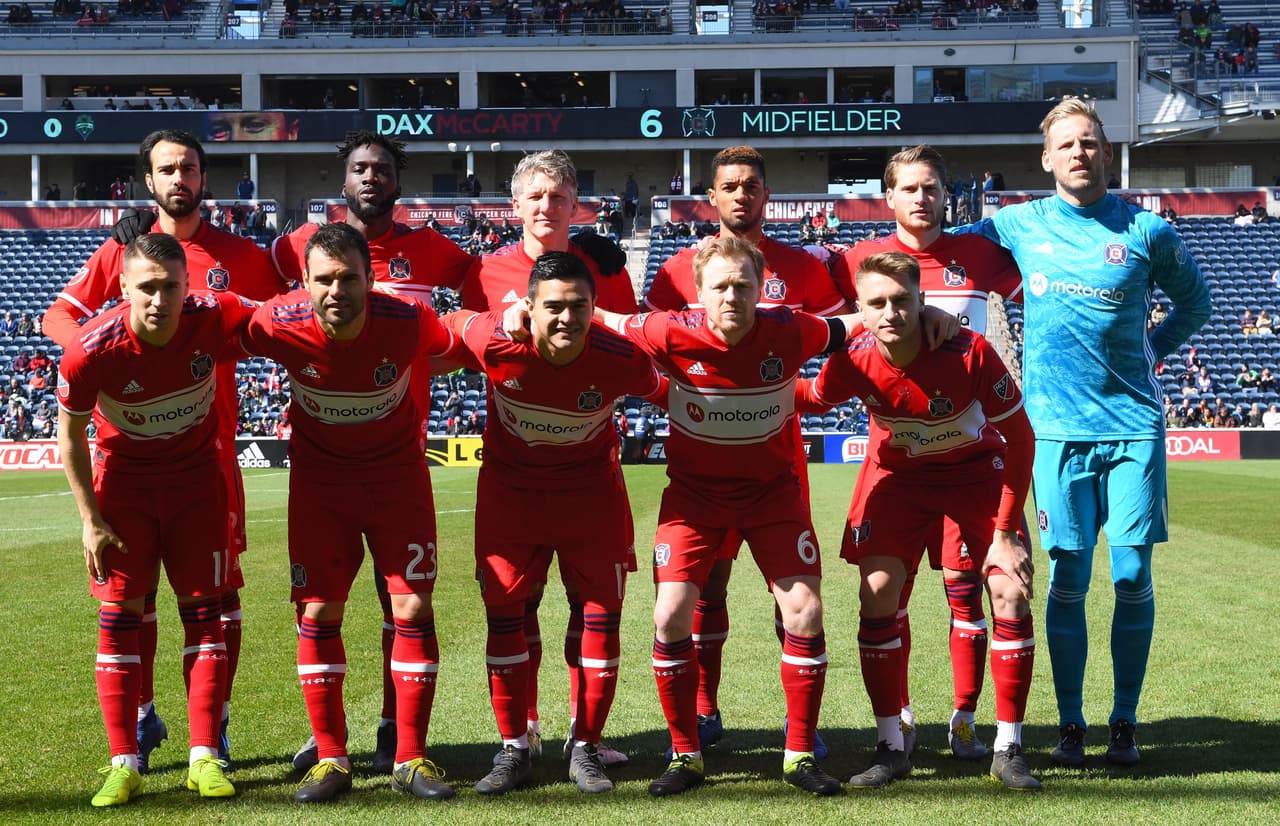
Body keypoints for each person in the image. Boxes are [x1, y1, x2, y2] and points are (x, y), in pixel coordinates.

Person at [954, 98, 1212, 767]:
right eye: (1066, 144)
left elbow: (1197, 301)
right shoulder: (1017, 223)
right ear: (1046, 159)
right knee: (1068, 575)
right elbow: (939, 253)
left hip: (1131, 428)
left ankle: (1122, 722)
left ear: (1106, 151)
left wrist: (1154, 348)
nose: (1078, 153)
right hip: (1055, 433)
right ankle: (1070, 725)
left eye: (1090, 143)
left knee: (1130, 575)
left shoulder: (1147, 230)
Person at [44, 129, 289, 774]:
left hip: (211, 451)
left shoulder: (244, 256)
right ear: (148, 182)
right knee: (135, 600)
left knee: (214, 599)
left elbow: (281, 312)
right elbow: (58, 321)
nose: (179, 178)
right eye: (166, 170)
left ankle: (216, 730)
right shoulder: (120, 253)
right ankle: (144, 715)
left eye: (189, 167)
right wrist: (114, 359)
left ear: (206, 177)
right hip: (132, 452)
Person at [600, 236, 864, 798]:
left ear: (761, 288)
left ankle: (798, 754)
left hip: (772, 495)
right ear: (699, 293)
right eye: (719, 286)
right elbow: (605, 319)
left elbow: (853, 325)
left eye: (743, 285)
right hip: (694, 499)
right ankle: (685, 754)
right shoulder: (668, 330)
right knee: (670, 615)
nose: (732, 296)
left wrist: (929, 316)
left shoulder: (791, 328)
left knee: (805, 609)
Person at [273, 131, 478, 776]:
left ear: (398, 179)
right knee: (318, 603)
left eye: (382, 169)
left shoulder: (437, 252)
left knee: (406, 603)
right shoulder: (290, 248)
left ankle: (399, 732)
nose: (370, 178)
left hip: (398, 451)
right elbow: (232, 299)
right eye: (359, 168)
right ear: (344, 179)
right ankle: (326, 741)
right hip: (322, 459)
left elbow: (479, 307)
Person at [802, 251, 1039, 790]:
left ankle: (1009, 746)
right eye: (877, 303)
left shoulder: (969, 351)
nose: (890, 312)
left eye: (902, 299)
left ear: (922, 300)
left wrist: (1005, 533)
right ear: (859, 310)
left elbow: (1021, 438)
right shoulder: (852, 359)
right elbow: (810, 398)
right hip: (900, 483)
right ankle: (890, 746)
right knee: (878, 592)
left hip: (976, 476)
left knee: (1010, 593)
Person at [642, 144, 848, 758]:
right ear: (712, 196)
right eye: (729, 185)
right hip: (705, 464)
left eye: (752, 185)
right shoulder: (677, 270)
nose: (741, 194)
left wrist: (806, 396)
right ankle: (703, 711)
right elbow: (656, 352)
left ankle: (801, 737)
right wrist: (693, 405)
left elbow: (840, 343)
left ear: (766, 193)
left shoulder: (805, 267)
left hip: (777, 462)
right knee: (706, 587)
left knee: (795, 597)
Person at [241, 222, 458, 803]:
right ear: (304, 283)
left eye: (349, 278)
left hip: (397, 479)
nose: (337, 290)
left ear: (370, 279)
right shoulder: (275, 323)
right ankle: (331, 758)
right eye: (324, 279)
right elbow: (214, 332)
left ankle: (411, 756)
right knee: (318, 609)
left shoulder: (409, 321)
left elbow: (449, 349)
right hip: (320, 486)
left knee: (412, 603)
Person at [826, 144, 1027, 760]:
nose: (921, 197)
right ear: (888, 197)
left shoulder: (981, 254)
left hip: (969, 451)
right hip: (898, 456)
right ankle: (900, 722)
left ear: (946, 194)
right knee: (888, 587)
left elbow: (1041, 303)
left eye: (931, 187)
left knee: (975, 585)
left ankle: (974, 721)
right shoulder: (852, 262)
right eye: (908, 187)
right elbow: (819, 333)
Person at [445, 252, 662, 796]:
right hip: (511, 500)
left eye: (579, 307)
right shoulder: (497, 345)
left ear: (595, 309)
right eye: (554, 307)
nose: (567, 318)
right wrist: (499, 320)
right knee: (505, 615)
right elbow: (451, 322)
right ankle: (515, 746)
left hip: (591, 499)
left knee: (600, 617)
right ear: (531, 309)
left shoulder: (621, 358)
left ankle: (585, 745)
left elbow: (667, 387)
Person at [56, 234, 255, 807]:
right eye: (146, 287)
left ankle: (204, 757)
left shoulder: (214, 315)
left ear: (187, 287)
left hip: (197, 489)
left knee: (205, 617)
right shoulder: (91, 349)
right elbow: (69, 438)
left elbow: (277, 320)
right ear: (122, 288)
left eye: (171, 287)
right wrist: (90, 521)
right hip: (125, 494)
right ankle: (124, 763)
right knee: (119, 619)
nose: (159, 299)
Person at [464, 148, 637, 769]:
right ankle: (523, 733)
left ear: (574, 205)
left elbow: (632, 345)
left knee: (592, 609)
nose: (546, 206)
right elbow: (464, 337)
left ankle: (582, 736)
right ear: (515, 206)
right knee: (514, 604)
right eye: (534, 196)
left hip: (590, 472)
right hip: (514, 477)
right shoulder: (483, 272)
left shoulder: (607, 270)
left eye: (558, 197)